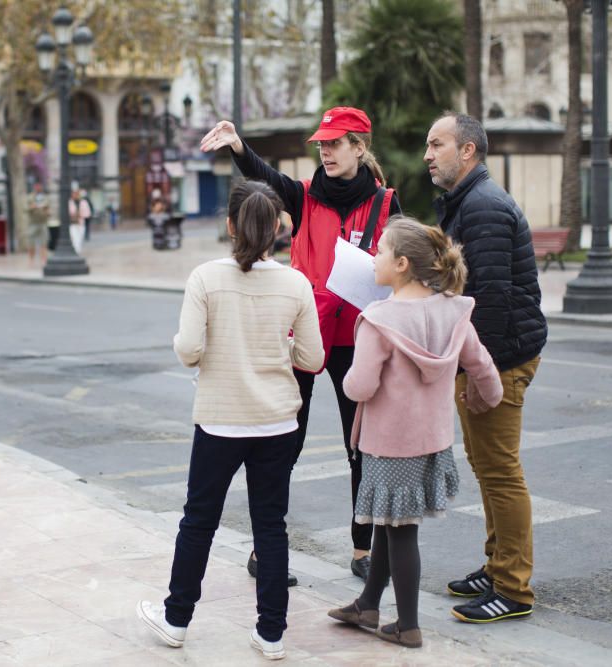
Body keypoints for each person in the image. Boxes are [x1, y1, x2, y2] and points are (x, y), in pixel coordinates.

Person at [201, 106, 400, 583]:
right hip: (304, 335)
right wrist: (236, 144)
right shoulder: (305, 194)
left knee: (363, 447)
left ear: (359, 146)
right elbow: (263, 176)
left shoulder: (386, 203)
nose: (325, 151)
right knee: (283, 443)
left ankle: (361, 549)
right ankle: (263, 549)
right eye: (322, 145)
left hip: (358, 337)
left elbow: (402, 261)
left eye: (335, 143)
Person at [137, 180, 324, 661]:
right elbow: (313, 357)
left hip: (220, 422)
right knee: (271, 527)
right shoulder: (296, 283)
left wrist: (198, 345)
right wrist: (277, 346)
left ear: (229, 226)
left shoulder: (205, 278)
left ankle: (176, 619)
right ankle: (272, 634)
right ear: (278, 229)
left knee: (199, 521)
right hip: (277, 423)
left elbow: (190, 351)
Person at [326, 217, 503, 648]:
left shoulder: (379, 320)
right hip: (432, 441)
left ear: (402, 264)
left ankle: (408, 625)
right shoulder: (454, 310)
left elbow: (360, 386)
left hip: (389, 444)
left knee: (401, 530)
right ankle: (368, 603)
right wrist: (489, 396)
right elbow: (480, 363)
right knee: (392, 522)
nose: (374, 258)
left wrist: (348, 380)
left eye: (381, 251)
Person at [424, 111, 547, 623]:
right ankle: (497, 566)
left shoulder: (483, 208)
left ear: (467, 150)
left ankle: (513, 589)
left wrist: (481, 374)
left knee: (500, 472)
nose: (427, 154)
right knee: (487, 467)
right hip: (484, 356)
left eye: (437, 144)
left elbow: (490, 301)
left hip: (500, 356)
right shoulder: (466, 203)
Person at [27, 182, 49, 266]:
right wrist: (32, 207)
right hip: (33, 223)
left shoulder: (45, 197)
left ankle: (44, 260)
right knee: (31, 243)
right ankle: (31, 260)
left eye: (40, 186)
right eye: (37, 186)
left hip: (43, 223)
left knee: (44, 243)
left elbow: (48, 208)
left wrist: (47, 212)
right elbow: (24, 208)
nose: (38, 188)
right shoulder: (30, 197)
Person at [67, 188, 90, 255]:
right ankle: (76, 253)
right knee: (74, 238)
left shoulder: (83, 202)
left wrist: (80, 214)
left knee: (79, 239)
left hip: (80, 223)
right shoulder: (70, 202)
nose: (75, 195)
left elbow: (87, 214)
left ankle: (77, 252)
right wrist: (73, 214)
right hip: (73, 223)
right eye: (73, 193)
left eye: (76, 193)